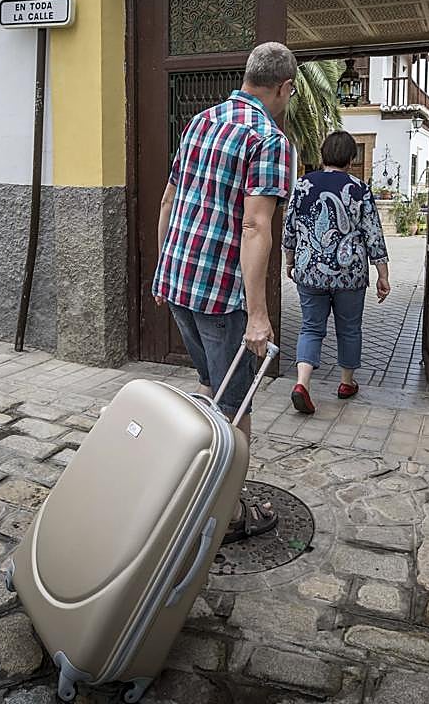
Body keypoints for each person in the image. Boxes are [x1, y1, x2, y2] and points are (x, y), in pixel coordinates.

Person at [151, 41, 296, 543]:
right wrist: (258, 314)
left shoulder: (201, 121)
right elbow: (256, 227)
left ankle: (205, 484)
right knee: (236, 408)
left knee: (214, 391)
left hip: (178, 284)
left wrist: (163, 267)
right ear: (285, 88)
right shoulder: (268, 138)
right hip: (219, 296)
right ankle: (230, 514)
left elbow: (169, 200)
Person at [282, 131, 390, 415]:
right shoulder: (360, 188)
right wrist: (383, 274)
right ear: (351, 158)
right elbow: (373, 234)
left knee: (310, 327)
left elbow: (290, 227)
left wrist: (290, 261)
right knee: (350, 328)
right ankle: (346, 382)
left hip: (310, 271)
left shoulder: (303, 184)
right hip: (349, 274)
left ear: (323, 154)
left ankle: (302, 383)